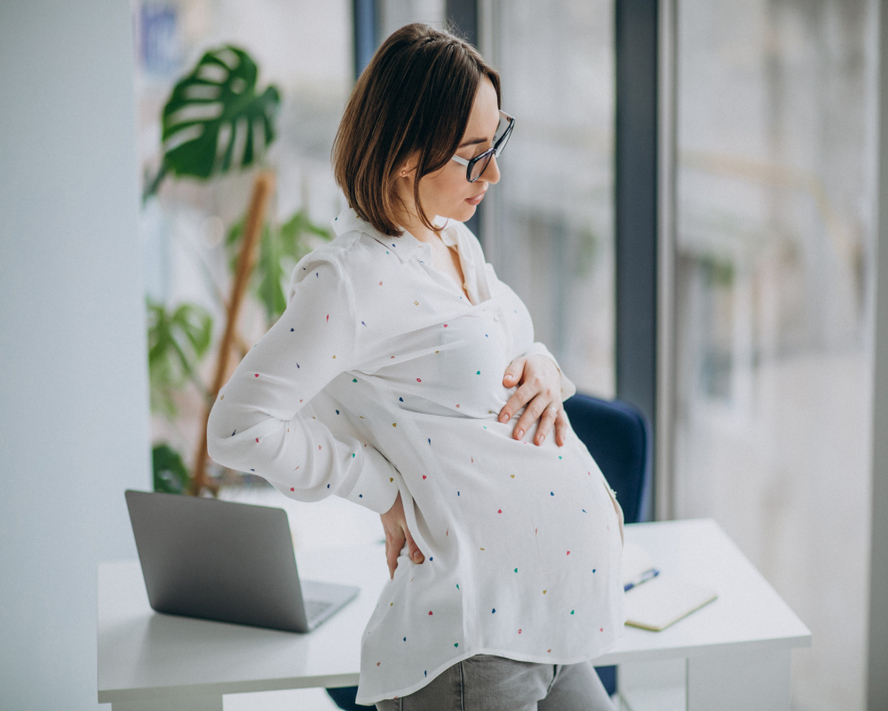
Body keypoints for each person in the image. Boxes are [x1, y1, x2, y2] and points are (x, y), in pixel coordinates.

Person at [207, 22, 625, 710]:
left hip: (547, 625)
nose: (493, 173)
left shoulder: (451, 240)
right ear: (404, 155)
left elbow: (510, 335)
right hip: (475, 646)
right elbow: (240, 424)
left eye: (497, 142)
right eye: (472, 155)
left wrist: (544, 364)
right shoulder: (349, 278)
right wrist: (379, 486)